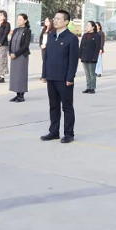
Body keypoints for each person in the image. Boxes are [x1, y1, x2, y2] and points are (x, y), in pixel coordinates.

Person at [41, 10, 79, 143]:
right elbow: (46, 57)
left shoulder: (71, 38)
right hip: (51, 76)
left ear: (66, 22)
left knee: (67, 107)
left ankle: (69, 133)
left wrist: (70, 77)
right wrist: (44, 74)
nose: (55, 21)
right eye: (54, 18)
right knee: (53, 106)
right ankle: (54, 132)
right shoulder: (51, 36)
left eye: (58, 19)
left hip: (64, 79)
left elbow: (73, 60)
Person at [9, 14, 32, 102]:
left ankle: (21, 95)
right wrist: (10, 52)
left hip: (21, 56)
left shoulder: (27, 31)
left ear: (25, 21)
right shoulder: (15, 30)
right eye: (18, 19)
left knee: (21, 75)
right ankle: (17, 94)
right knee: (15, 76)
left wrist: (16, 54)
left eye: (20, 19)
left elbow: (26, 45)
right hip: (13, 56)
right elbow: (11, 42)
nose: (18, 21)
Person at [79, 21, 100, 94]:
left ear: (93, 27)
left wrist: (95, 57)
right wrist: (79, 55)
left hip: (92, 57)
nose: (87, 27)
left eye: (88, 25)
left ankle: (92, 88)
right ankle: (88, 87)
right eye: (86, 25)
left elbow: (97, 48)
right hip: (84, 56)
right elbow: (81, 46)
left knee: (92, 73)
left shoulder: (97, 36)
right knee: (87, 73)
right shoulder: (85, 35)